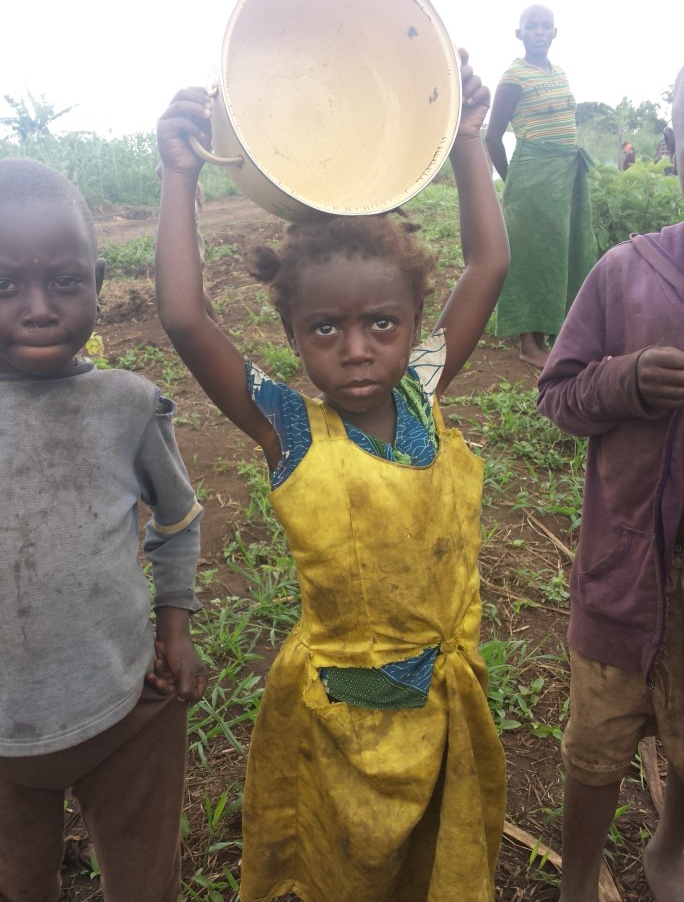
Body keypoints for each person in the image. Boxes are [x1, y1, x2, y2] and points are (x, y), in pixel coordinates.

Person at [156, 51, 508, 902]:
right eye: (325, 328)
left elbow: (487, 265)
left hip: (443, 712)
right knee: (338, 864)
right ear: (294, 332)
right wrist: (176, 178)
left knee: (432, 863)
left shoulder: (422, 396)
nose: (356, 348)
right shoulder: (289, 431)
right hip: (340, 721)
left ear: (415, 322)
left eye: (381, 323)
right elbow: (183, 315)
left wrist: (467, 138)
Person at [0, 158, 208, 902]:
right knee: (21, 881)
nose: (38, 308)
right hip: (4, 736)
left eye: (65, 281)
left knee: (143, 875)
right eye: (5, 286)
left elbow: (178, 520)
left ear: (98, 280)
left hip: (126, 707)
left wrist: (175, 626)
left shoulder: (128, 405)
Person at [537, 64, 684, 902]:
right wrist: (624, 381)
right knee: (594, 748)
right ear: (671, 149)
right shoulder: (626, 274)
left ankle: (669, 848)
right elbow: (557, 393)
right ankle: (577, 877)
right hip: (622, 577)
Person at [485, 3, 597, 369]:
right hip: (532, 177)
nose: (538, 31)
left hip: (564, 178)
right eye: (530, 26)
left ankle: (551, 330)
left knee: (558, 253)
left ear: (554, 33)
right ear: (519, 34)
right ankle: (528, 342)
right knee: (532, 257)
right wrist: (512, 180)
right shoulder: (513, 76)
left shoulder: (560, 73)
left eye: (544, 26)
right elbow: (493, 137)